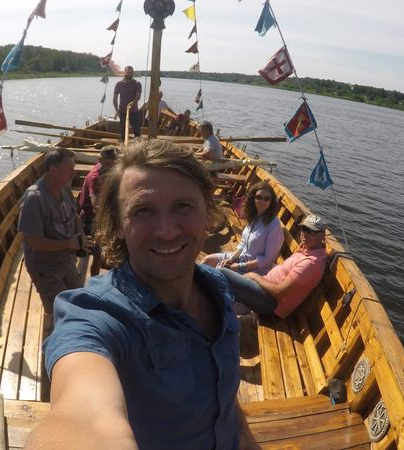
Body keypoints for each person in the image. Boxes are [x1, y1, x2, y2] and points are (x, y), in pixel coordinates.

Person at [25, 140, 258, 449]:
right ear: (118, 226)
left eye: (182, 206)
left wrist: (247, 441)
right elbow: (80, 417)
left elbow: (223, 394)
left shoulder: (218, 286)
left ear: (207, 214)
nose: (166, 231)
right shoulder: (95, 316)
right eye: (143, 210)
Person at [17, 148, 95, 314]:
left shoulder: (64, 188)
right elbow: (34, 242)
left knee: (79, 300)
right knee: (60, 312)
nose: (73, 173)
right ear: (53, 170)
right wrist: (69, 243)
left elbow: (74, 216)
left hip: (65, 259)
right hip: (45, 268)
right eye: (69, 169)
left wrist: (81, 237)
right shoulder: (35, 198)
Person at [219, 214, 328, 318]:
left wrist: (254, 276)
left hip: (272, 303)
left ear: (322, 235)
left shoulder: (310, 263)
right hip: (265, 287)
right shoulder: (307, 249)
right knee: (224, 288)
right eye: (303, 229)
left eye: (311, 231)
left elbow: (278, 292)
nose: (305, 234)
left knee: (223, 273)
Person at [202, 181, 284, 275]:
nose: (262, 201)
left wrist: (239, 266)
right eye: (259, 197)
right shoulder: (254, 217)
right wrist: (231, 259)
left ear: (271, 202)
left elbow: (267, 260)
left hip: (255, 270)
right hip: (241, 258)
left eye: (266, 199)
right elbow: (243, 244)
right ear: (253, 198)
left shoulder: (274, 226)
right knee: (207, 260)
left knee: (219, 271)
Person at [78, 146, 117, 275]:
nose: (113, 167)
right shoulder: (95, 178)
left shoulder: (105, 168)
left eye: (114, 164)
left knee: (98, 254)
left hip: (100, 216)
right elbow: (96, 206)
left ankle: (94, 277)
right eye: (110, 164)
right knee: (85, 254)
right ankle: (80, 280)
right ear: (102, 161)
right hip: (90, 219)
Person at [113, 65, 142, 141]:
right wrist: (117, 111)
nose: (129, 74)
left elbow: (138, 97)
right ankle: (123, 144)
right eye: (128, 72)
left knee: (137, 130)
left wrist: (131, 104)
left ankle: (138, 145)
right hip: (122, 112)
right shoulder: (119, 84)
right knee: (123, 131)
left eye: (131, 73)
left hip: (134, 112)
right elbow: (115, 99)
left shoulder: (137, 84)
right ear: (124, 72)